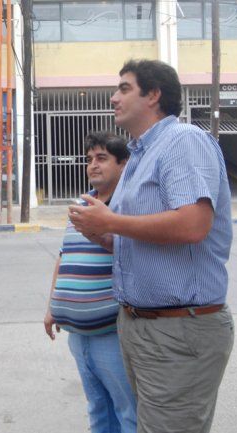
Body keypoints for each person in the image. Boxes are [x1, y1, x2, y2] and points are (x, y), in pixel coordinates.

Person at [69, 59, 234, 433]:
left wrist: (111, 221)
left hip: (179, 329)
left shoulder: (182, 141)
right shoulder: (139, 155)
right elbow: (139, 238)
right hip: (139, 326)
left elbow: (194, 224)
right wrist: (102, 234)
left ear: (154, 95)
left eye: (124, 88)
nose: (113, 98)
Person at [44, 131, 137, 433]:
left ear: (123, 164)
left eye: (102, 158)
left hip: (112, 333)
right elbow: (65, 256)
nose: (93, 165)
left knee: (127, 412)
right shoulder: (80, 206)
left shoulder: (128, 207)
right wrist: (52, 307)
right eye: (89, 159)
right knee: (98, 411)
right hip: (77, 334)